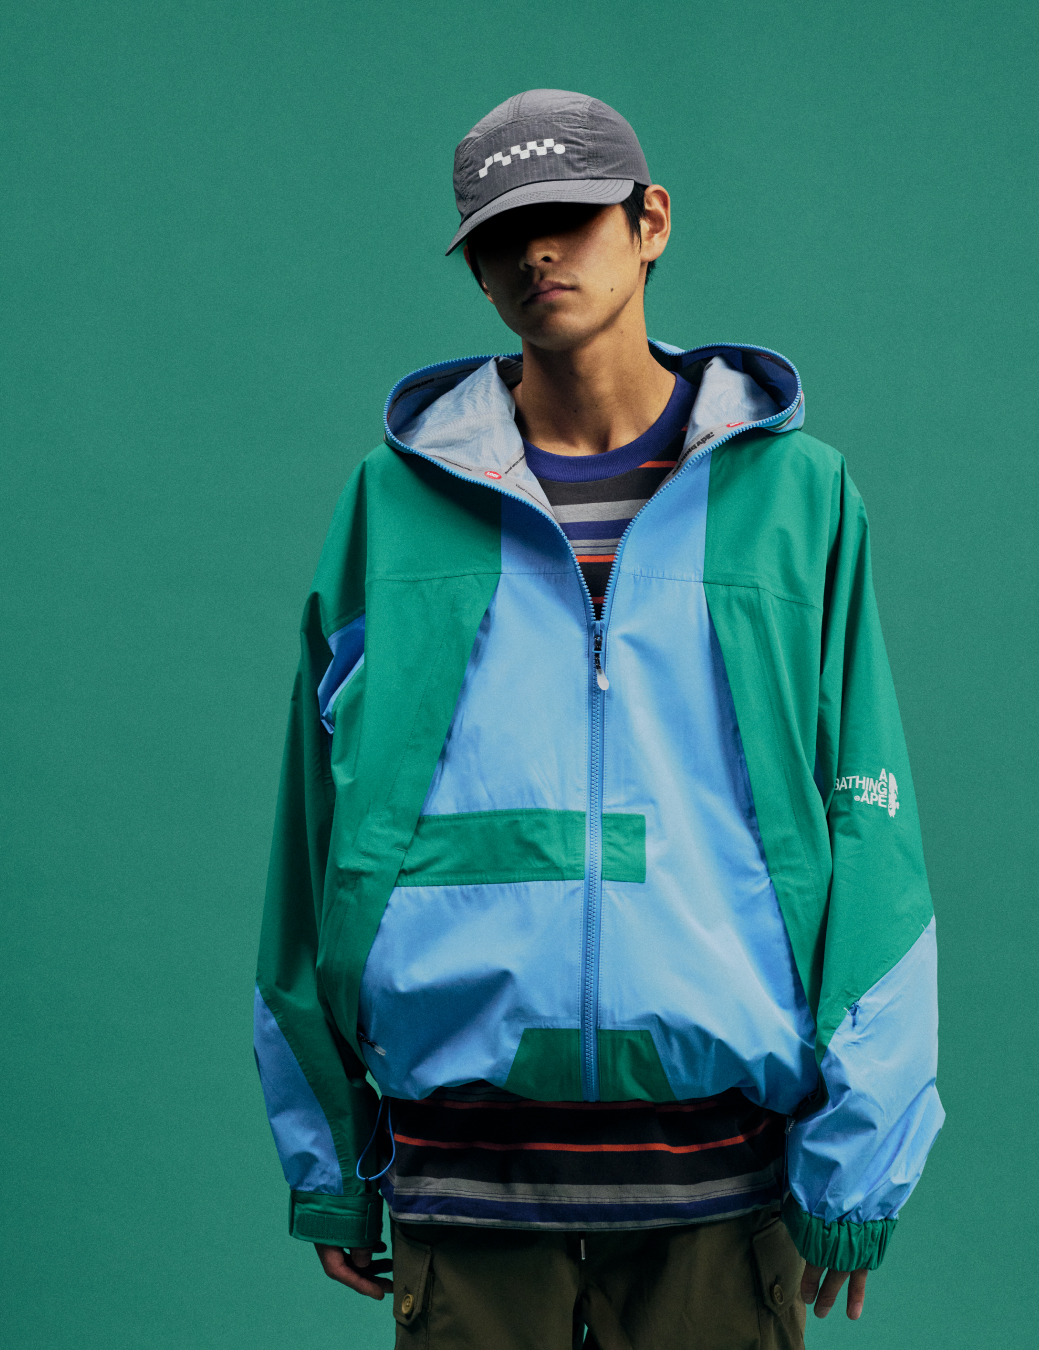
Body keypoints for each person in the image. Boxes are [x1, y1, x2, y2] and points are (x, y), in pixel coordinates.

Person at [254, 89, 944, 1349]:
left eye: (570, 217)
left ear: (650, 222)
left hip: (721, 1184)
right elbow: (314, 838)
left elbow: (871, 825)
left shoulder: (798, 499)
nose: (536, 252)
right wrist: (326, 1155)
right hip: (463, 1181)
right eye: (498, 234)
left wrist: (861, 1156)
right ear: (476, 269)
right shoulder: (391, 506)